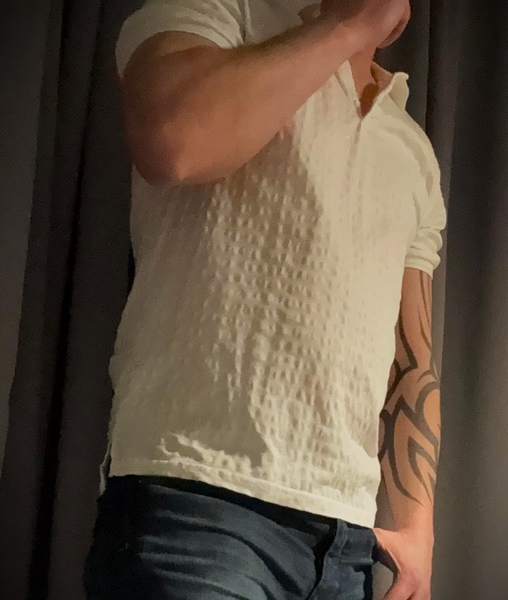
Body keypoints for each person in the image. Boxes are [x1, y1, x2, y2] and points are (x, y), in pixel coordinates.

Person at [84, 0, 447, 598]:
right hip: (198, 507)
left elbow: (412, 360)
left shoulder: (411, 150)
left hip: (346, 543)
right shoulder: (219, 16)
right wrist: (350, 26)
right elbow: (173, 139)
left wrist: (418, 531)